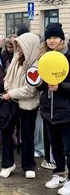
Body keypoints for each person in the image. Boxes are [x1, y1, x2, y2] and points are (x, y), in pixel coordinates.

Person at [0, 32, 40, 179]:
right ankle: (7, 163)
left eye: (21, 45)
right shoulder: (16, 58)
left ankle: (28, 165)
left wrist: (11, 93)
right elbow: (7, 77)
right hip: (12, 102)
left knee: (27, 135)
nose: (18, 48)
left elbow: (31, 90)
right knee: (6, 131)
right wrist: (8, 89)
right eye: (18, 45)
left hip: (28, 105)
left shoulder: (36, 65)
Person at [37, 23, 70, 194]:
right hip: (48, 111)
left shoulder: (69, 57)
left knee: (68, 147)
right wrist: (38, 83)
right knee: (55, 146)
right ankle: (59, 174)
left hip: (66, 111)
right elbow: (41, 86)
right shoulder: (45, 58)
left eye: (55, 37)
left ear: (62, 39)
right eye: (49, 37)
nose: (51, 40)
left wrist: (61, 86)